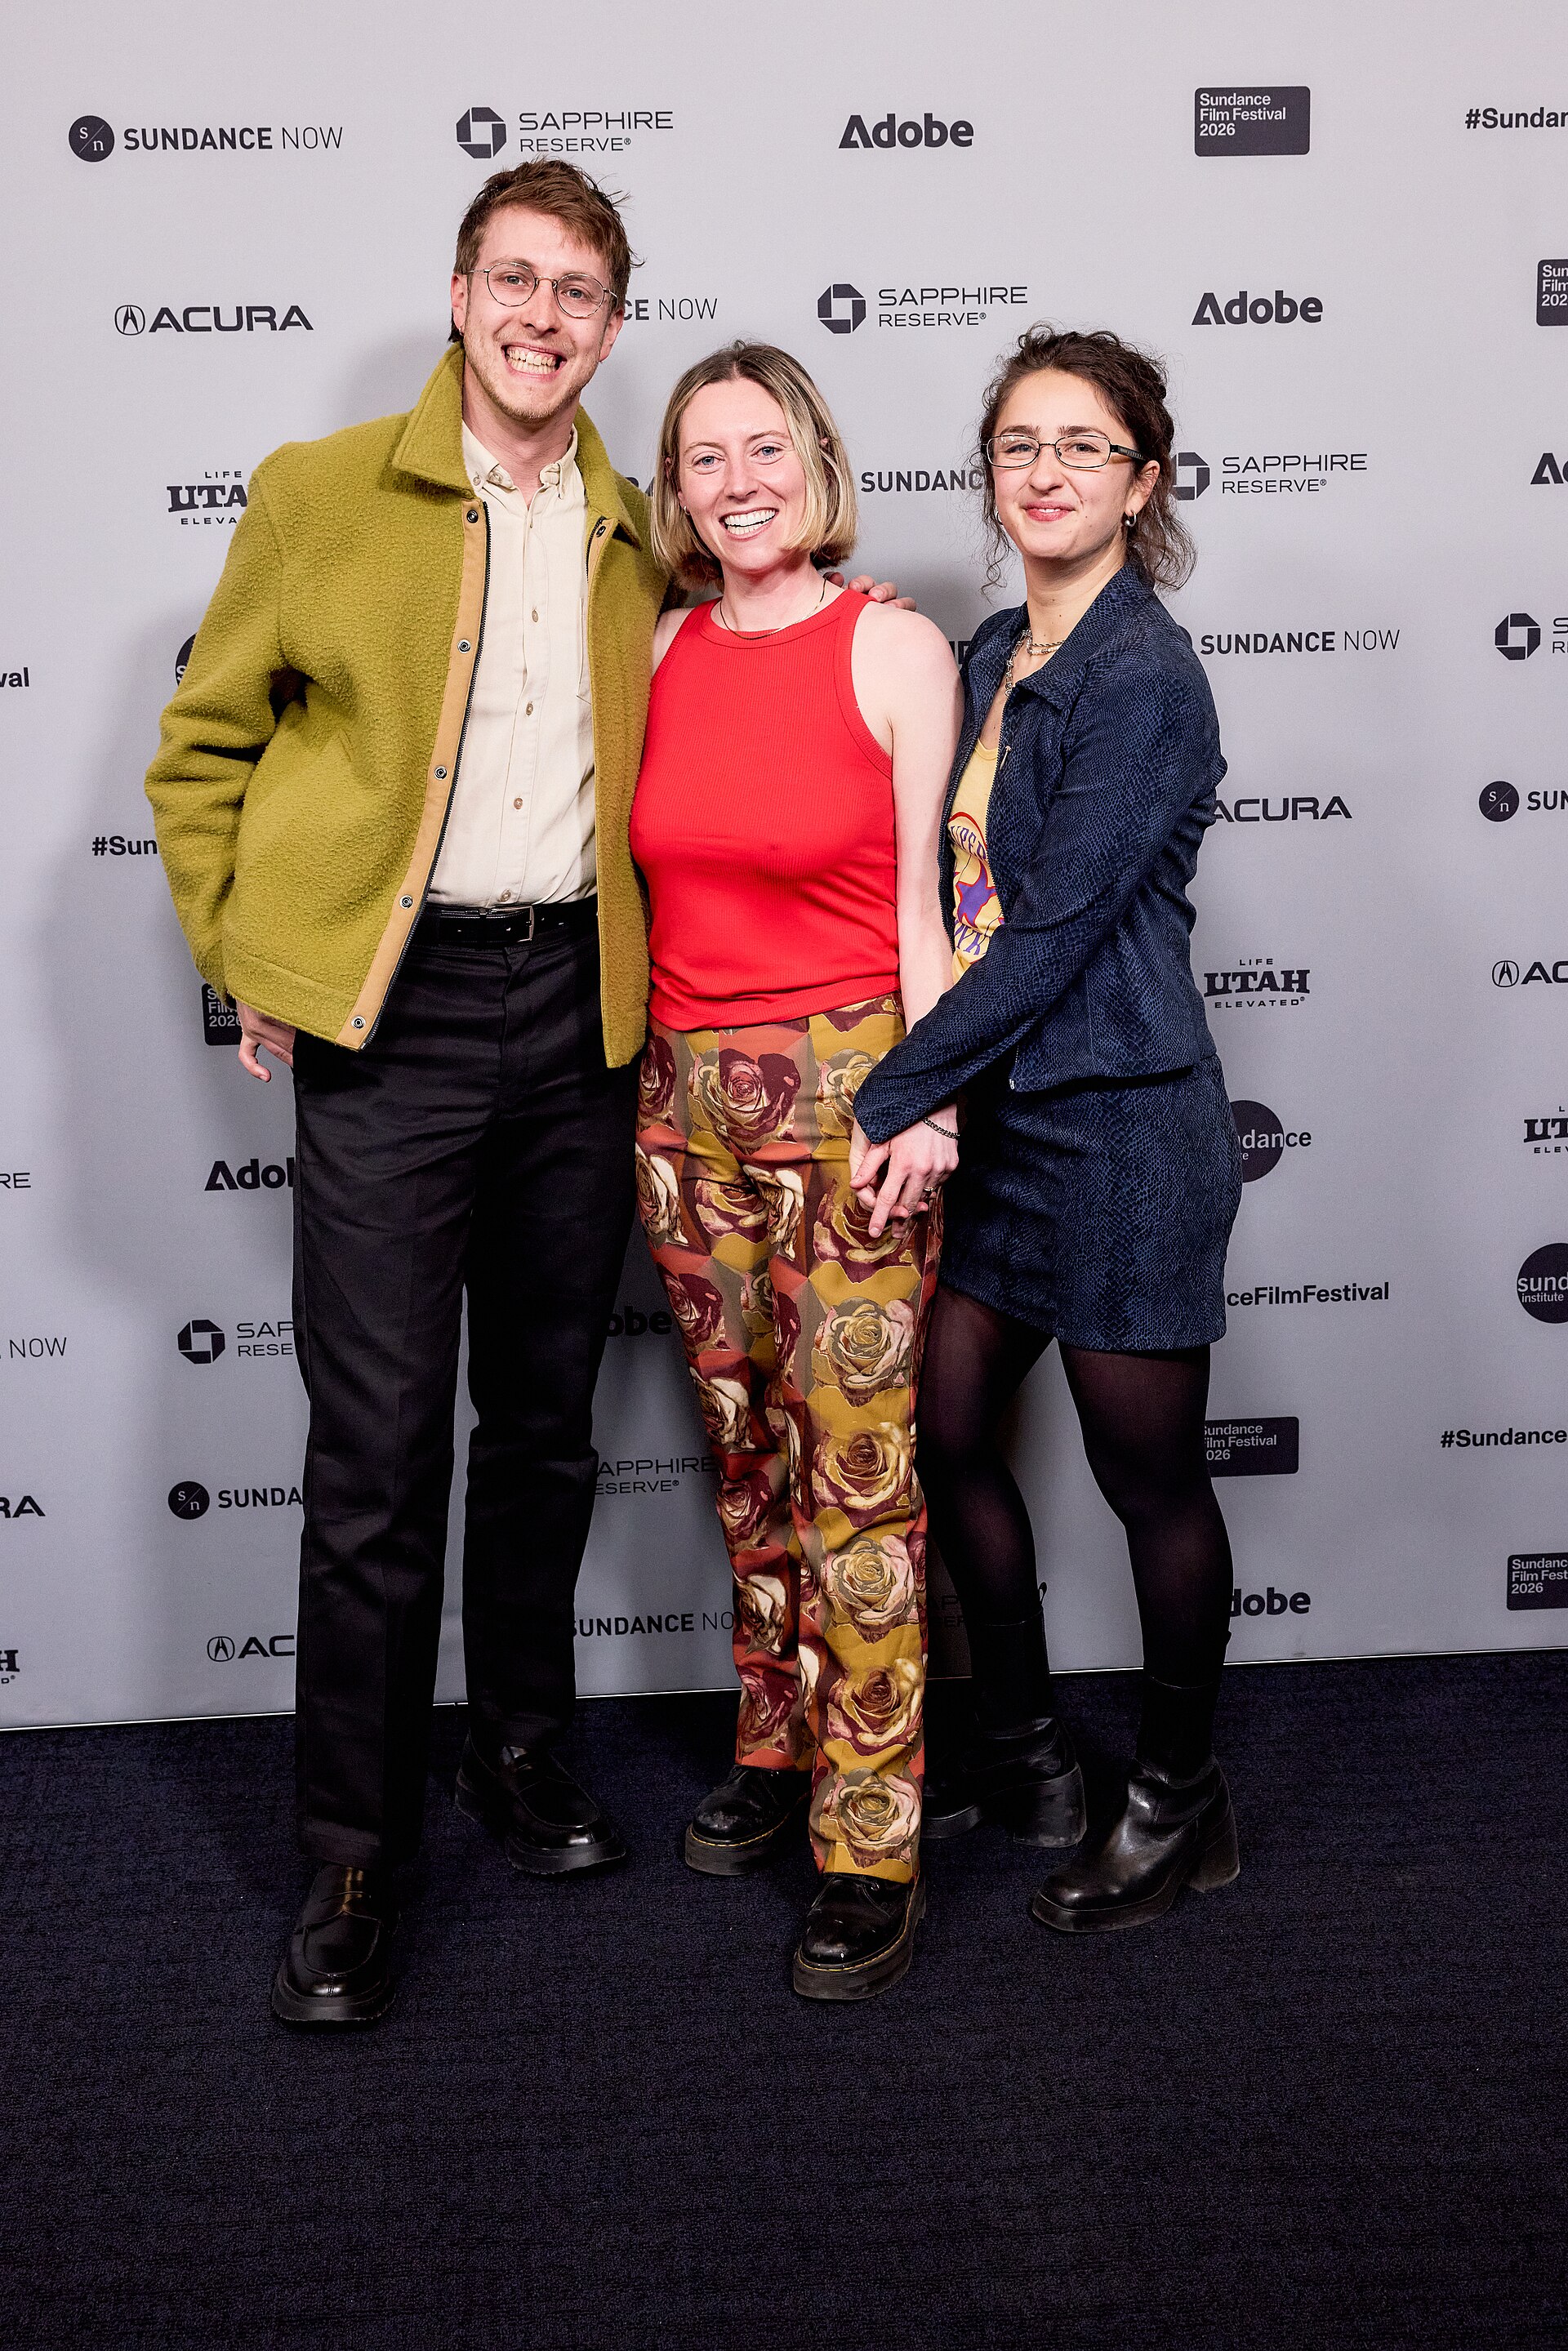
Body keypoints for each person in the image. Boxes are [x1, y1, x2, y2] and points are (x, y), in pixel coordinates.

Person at [145, 163, 903, 2030]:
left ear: (611, 326)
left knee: (547, 1421)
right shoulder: (322, 491)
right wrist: (245, 951)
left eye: (578, 291)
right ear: (461, 291)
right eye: (514, 279)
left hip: (583, 1012)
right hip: (395, 1023)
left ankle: (524, 1749)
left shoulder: (647, 533)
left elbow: (754, 702)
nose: (541, 314)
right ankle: (349, 1853)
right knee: (377, 1448)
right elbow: (204, 746)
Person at [850, 325, 1245, 1934]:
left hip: (1129, 1133)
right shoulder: (998, 642)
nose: (1049, 472)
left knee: (1150, 1484)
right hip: (1016, 1133)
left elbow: (1053, 933)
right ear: (991, 472)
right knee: (948, 1435)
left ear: (1142, 481)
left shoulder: (1144, 679)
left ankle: (1177, 1803)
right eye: (1022, 443)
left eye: (1085, 446)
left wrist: (894, 1087)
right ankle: (1024, 1750)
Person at [630, 344, 962, 1998]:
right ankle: (775, 1743)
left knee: (856, 1477)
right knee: (747, 1455)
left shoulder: (896, 644)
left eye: (766, 448)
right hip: (680, 1112)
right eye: (704, 458)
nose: (738, 478)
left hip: (850, 1102)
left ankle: (870, 1833)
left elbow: (935, 909)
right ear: (675, 492)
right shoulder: (661, 651)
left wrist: (929, 1100)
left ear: (815, 467)